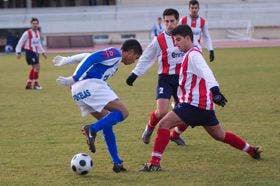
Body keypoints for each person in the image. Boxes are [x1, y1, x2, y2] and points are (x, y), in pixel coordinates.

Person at [139, 25, 262, 172]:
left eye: (178, 40)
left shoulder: (193, 55)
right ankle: (251, 149)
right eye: (174, 40)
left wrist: (215, 90)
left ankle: (154, 163)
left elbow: (206, 71)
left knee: (164, 124)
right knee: (220, 135)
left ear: (188, 38)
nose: (176, 43)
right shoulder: (192, 53)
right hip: (204, 106)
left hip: (193, 105)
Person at [53, 39, 143, 173]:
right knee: (123, 112)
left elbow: (86, 55)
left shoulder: (114, 59)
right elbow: (92, 57)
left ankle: (117, 163)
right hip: (89, 84)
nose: (133, 62)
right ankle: (92, 129)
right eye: (135, 58)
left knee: (107, 121)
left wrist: (68, 59)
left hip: (77, 91)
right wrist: (75, 77)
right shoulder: (115, 53)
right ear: (130, 52)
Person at [126, 8, 188, 146]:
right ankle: (149, 128)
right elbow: (147, 58)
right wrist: (135, 74)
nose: (169, 24)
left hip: (183, 79)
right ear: (163, 22)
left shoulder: (185, 37)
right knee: (162, 112)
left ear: (178, 21)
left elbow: (195, 53)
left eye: (172, 21)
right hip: (165, 79)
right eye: (167, 21)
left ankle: (175, 134)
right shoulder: (159, 40)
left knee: (188, 113)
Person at [15, 17, 47, 90]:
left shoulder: (38, 33)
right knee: (37, 67)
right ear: (31, 24)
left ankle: (29, 84)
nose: (35, 25)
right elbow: (20, 42)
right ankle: (36, 84)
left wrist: (43, 52)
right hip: (29, 52)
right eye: (33, 24)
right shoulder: (27, 33)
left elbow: (38, 44)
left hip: (35, 53)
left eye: (36, 23)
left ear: (38, 24)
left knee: (34, 68)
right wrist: (18, 52)